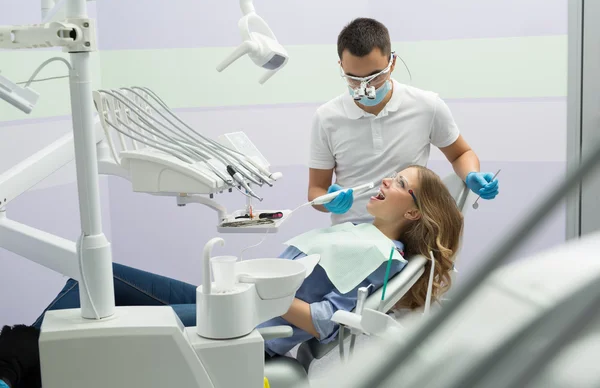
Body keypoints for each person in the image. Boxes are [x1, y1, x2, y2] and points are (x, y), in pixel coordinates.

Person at [0, 165, 463, 388]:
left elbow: (324, 322)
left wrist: (269, 293)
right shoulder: (359, 230)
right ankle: (22, 358)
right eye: (392, 177)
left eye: (400, 184)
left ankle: (14, 367)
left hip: (243, 322)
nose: (385, 183)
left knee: (96, 319)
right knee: (94, 276)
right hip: (232, 296)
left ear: (416, 211)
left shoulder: (385, 260)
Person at [308, 17, 499, 225]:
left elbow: (461, 153)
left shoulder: (426, 106)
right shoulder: (327, 118)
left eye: (374, 77)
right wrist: (328, 201)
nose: (365, 88)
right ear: (341, 66)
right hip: (348, 231)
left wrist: (471, 175)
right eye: (354, 78)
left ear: (392, 63)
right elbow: (316, 190)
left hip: (406, 231)